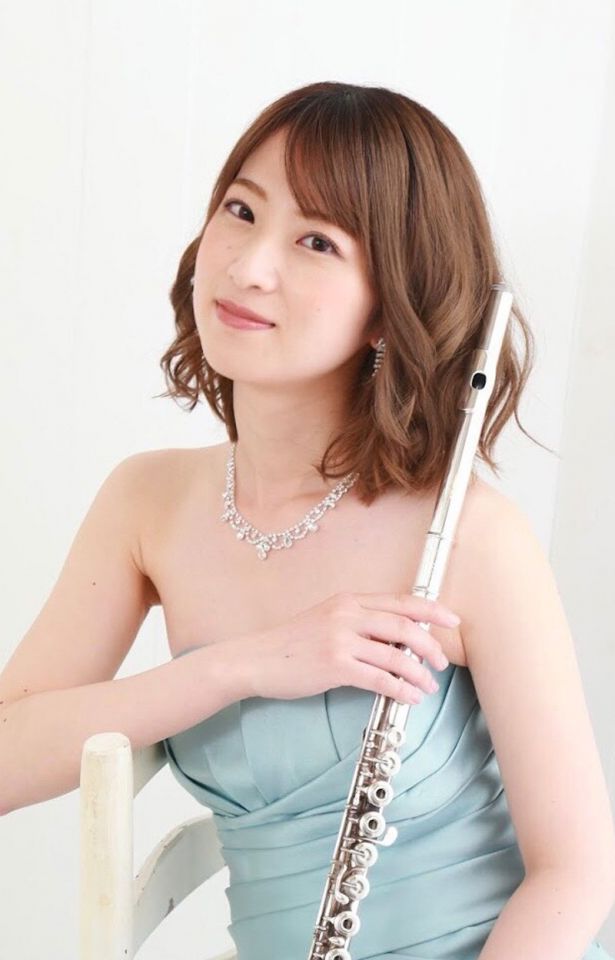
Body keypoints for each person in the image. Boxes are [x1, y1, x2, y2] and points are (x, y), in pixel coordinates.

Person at [2, 81, 614, 959]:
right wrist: (239, 667)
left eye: (317, 241)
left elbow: (576, 871)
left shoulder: (471, 536)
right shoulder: (146, 501)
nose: (250, 266)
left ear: (390, 304)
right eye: (241, 210)